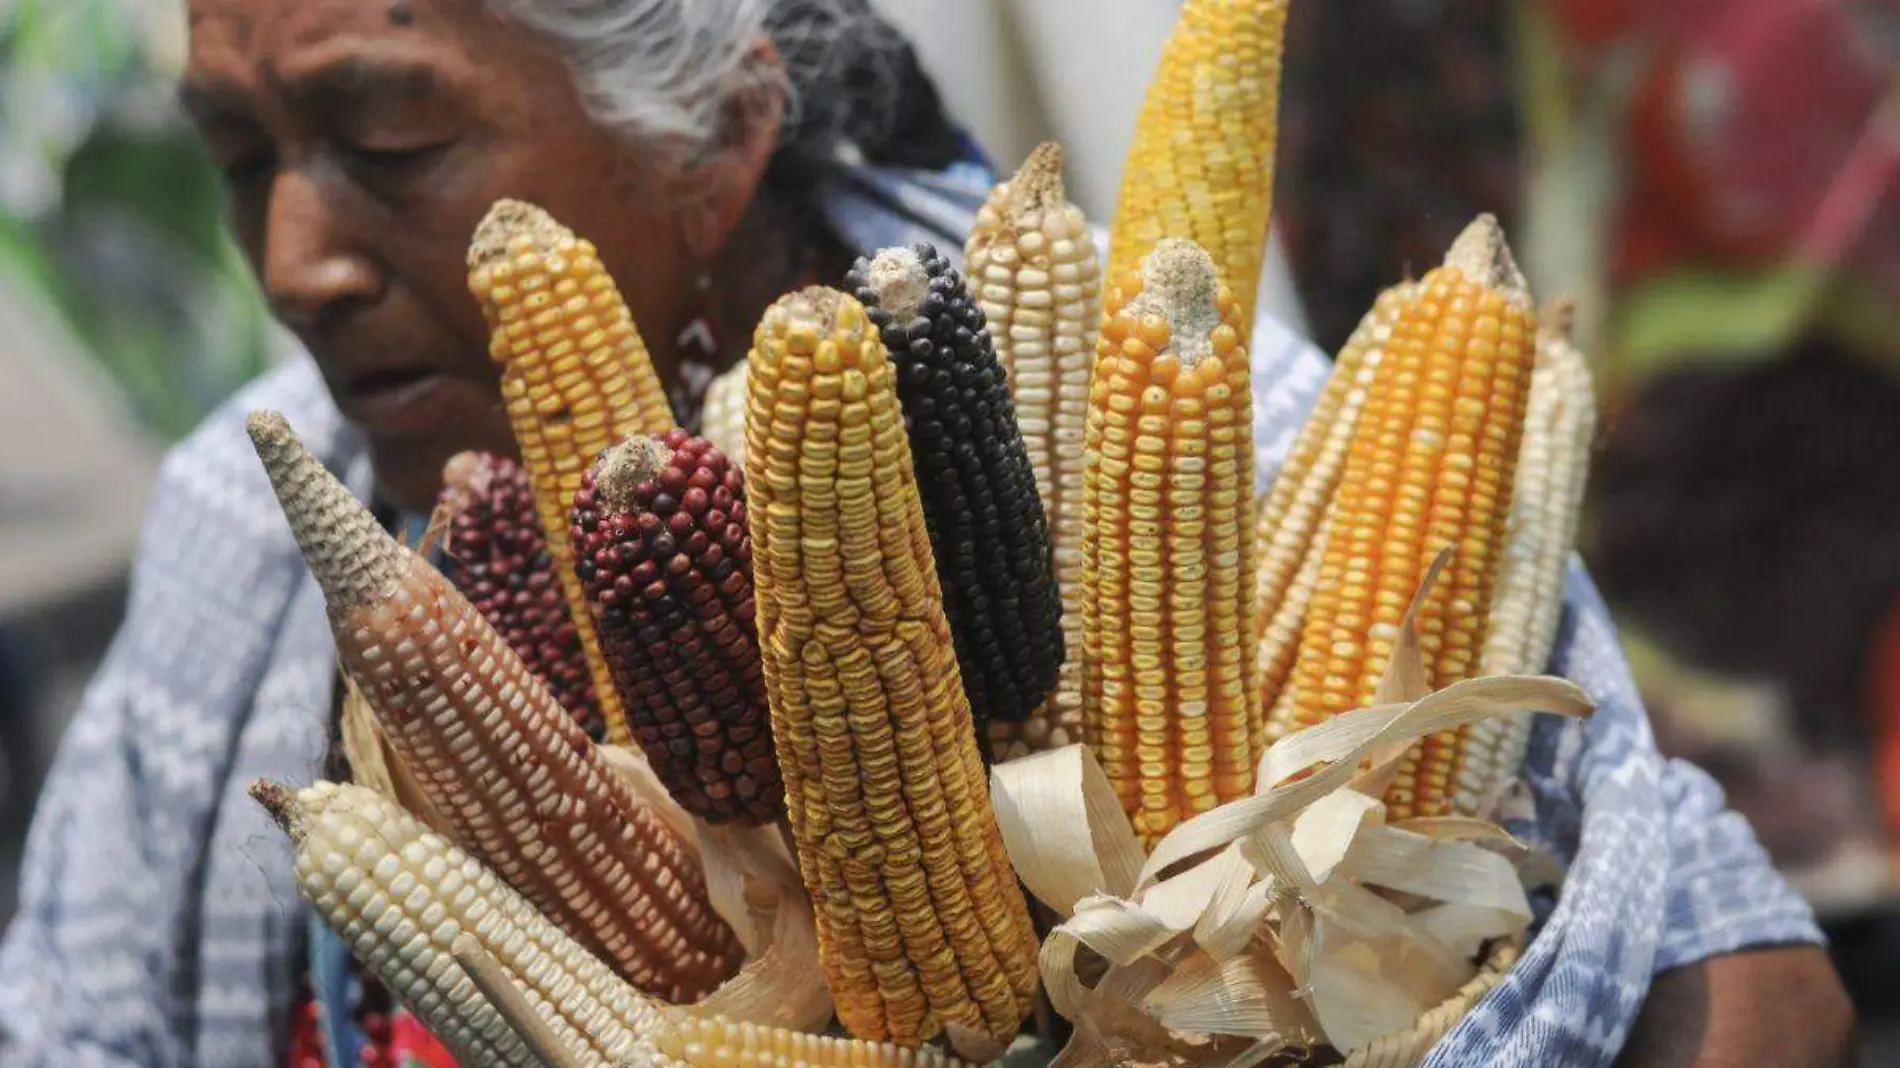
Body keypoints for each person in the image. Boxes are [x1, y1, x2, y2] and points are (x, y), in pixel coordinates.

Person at [0, 1, 1855, 1066]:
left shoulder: (1221, 434)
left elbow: (1748, 968)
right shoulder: (246, 534)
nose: (294, 263)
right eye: (243, 164)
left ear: (713, 135)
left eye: (390, 149)